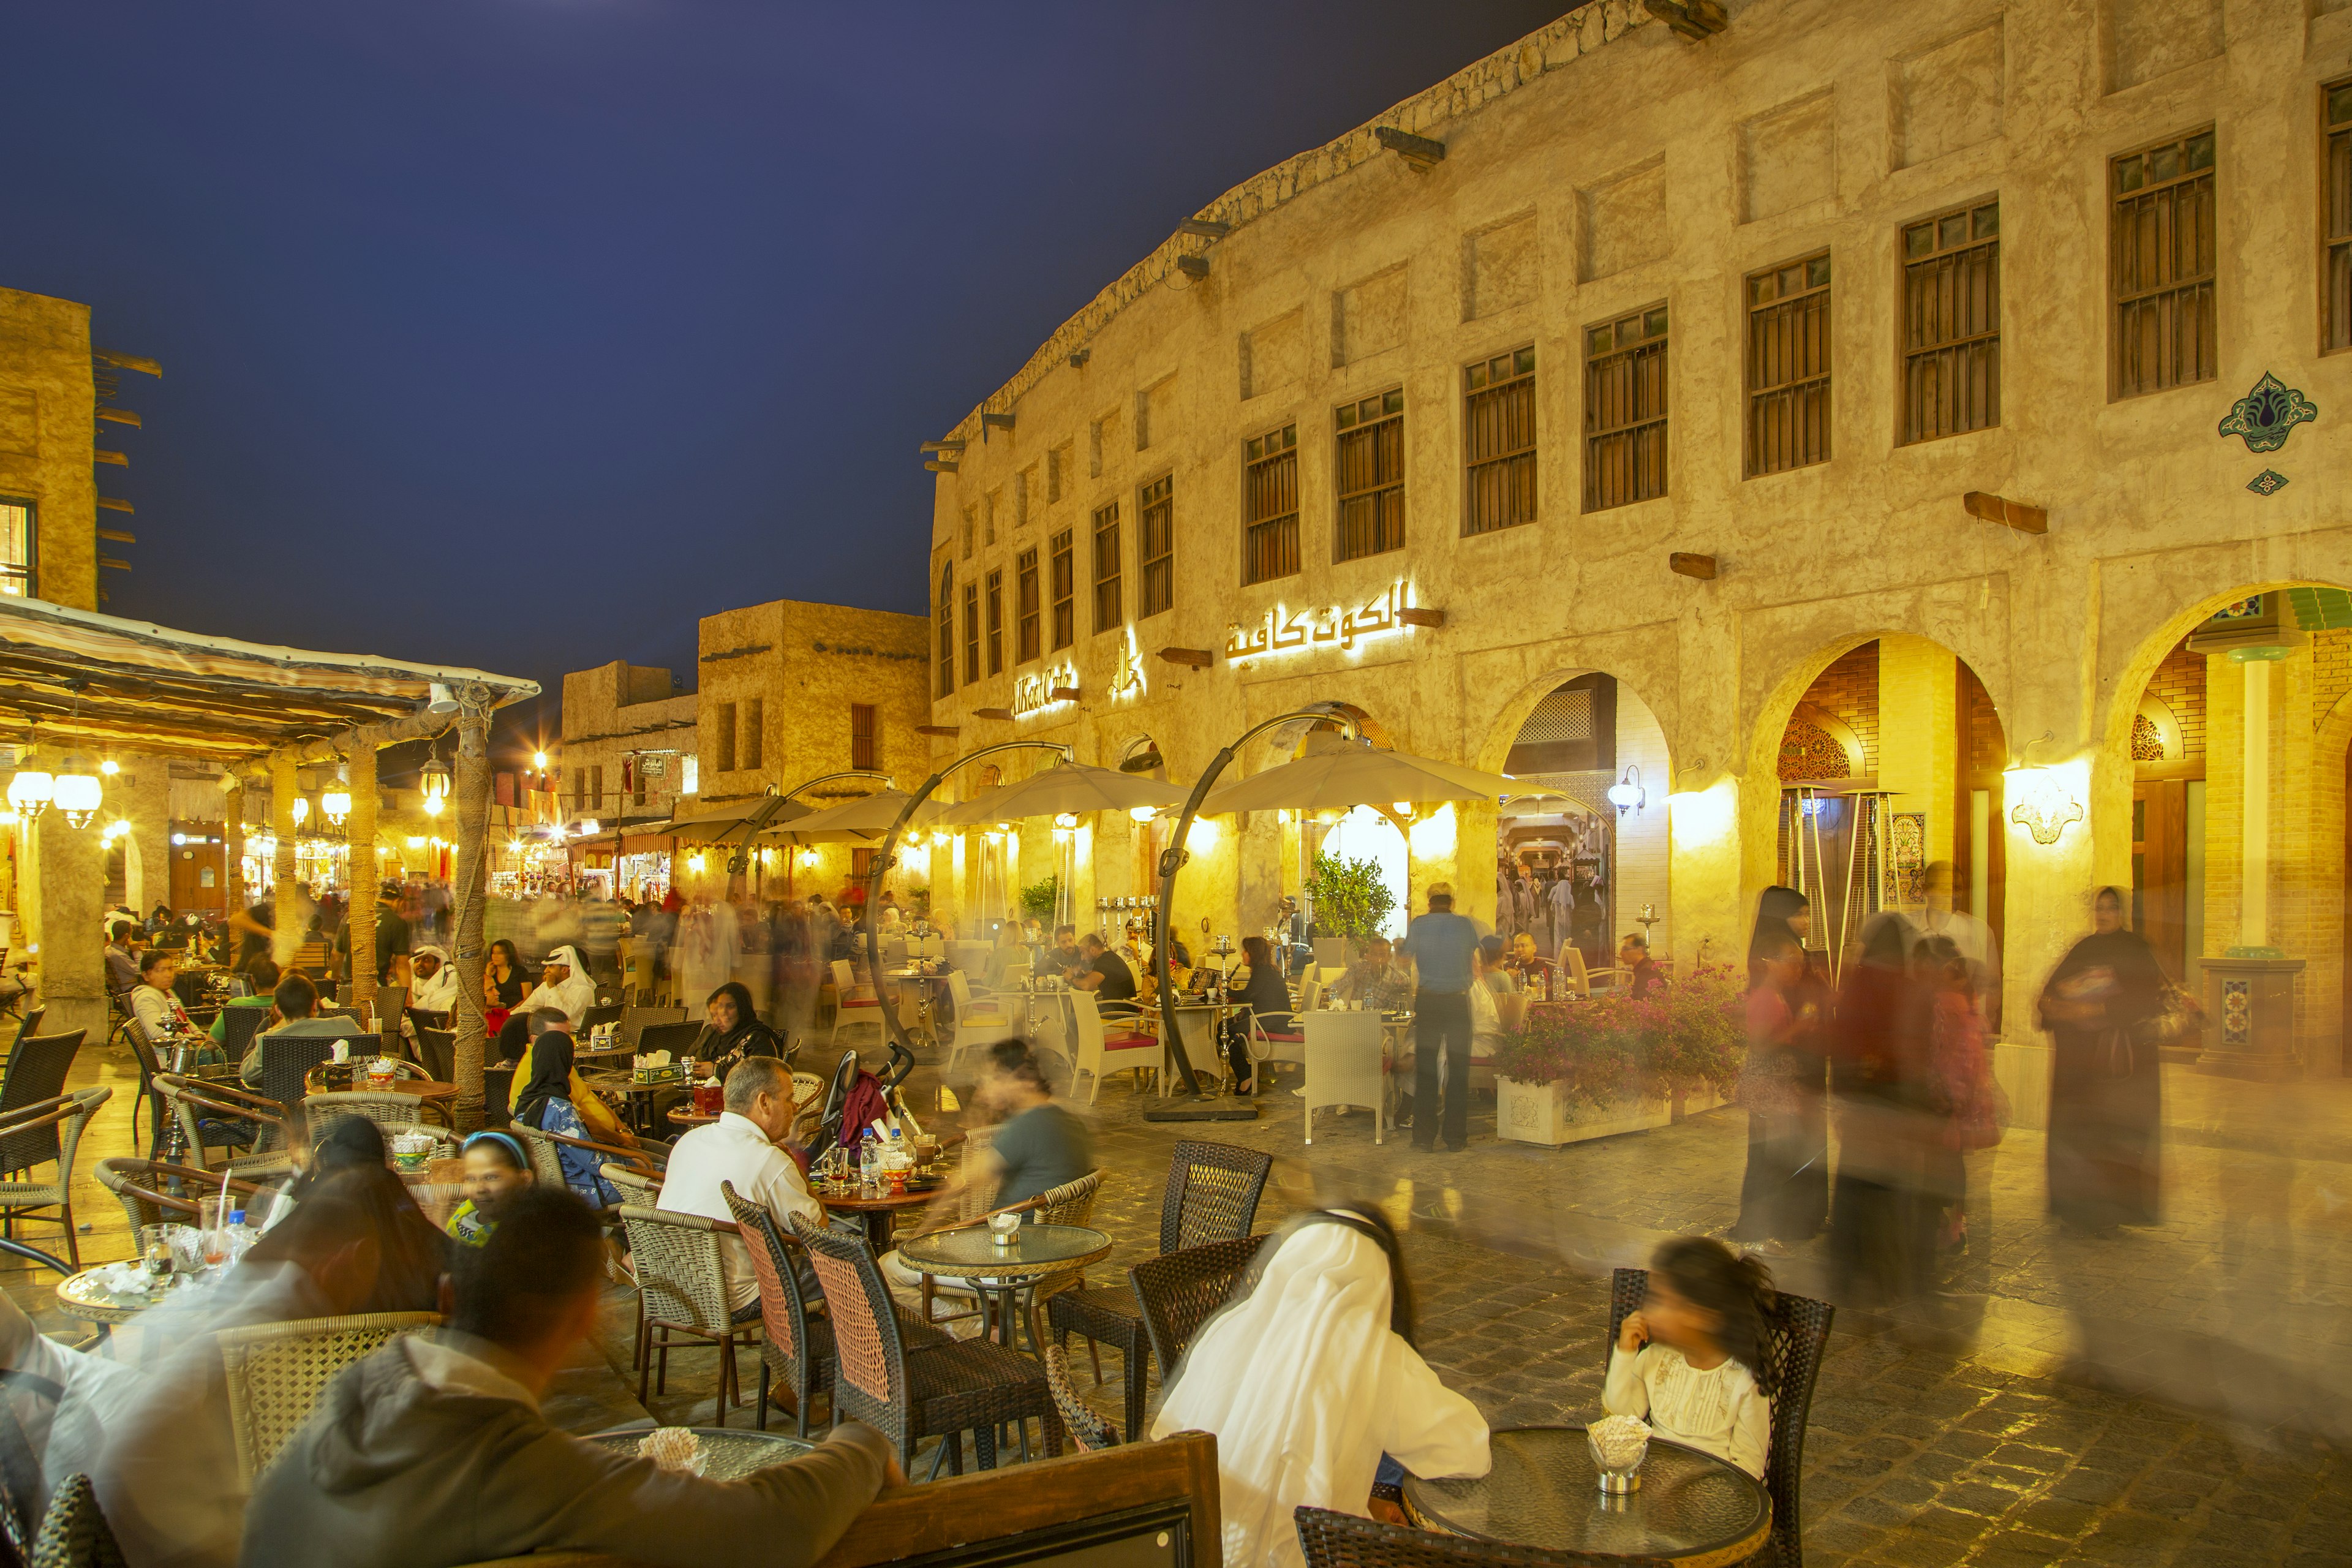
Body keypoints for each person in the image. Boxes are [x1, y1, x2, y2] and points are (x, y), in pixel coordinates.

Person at [239, 1186, 898, 1568]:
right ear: (588, 1315)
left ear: (445, 1296)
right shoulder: (514, 1469)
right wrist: (864, 1444)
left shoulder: (339, 1406)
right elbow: (768, 1529)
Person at [1150, 1204, 1490, 1568]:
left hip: (1192, 1550)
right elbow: (1468, 1453)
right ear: (1379, 1277)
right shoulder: (1376, 1351)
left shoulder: (1228, 1330)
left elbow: (1173, 1442)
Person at [97, 1179, 391, 1568]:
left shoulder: (259, 1290)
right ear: (350, 1258)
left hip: (137, 1508)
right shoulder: (274, 1334)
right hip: (173, 1532)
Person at [2038, 886, 2166, 1232]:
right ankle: (2078, 1209)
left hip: (2119, 1066)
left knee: (2114, 1140)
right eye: (2100, 908)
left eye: (2111, 908)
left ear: (2122, 912)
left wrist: (2100, 1008)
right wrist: (2066, 1009)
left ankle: (2114, 1211)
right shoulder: (2085, 948)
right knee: (2081, 1139)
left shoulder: (2136, 949)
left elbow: (2145, 998)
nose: (2104, 914)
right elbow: (2048, 996)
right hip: (2081, 1069)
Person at [657, 1057, 823, 1319]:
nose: (796, 1106)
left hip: (670, 1291)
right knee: (844, 1269)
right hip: (733, 1300)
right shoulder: (768, 1159)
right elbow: (816, 1231)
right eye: (789, 1098)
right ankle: (827, 1356)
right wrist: (794, 1165)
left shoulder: (689, 1141)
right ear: (764, 1102)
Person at [1604, 1236, 1774, 1479]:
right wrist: (1625, 1354)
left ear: (1705, 1317)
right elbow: (1621, 1418)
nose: (1650, 1311)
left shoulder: (1743, 1381)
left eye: (1664, 1302)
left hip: (1711, 1501)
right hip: (1654, 1489)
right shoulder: (1655, 1358)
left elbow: (1749, 1468)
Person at [1730, 910, 1830, 1253]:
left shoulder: (1775, 997)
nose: (1797, 970)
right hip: (1766, 1086)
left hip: (1776, 1086)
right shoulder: (1763, 999)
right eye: (1792, 962)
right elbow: (1760, 1043)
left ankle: (1764, 1227)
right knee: (1766, 1159)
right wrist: (1798, 1029)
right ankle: (1755, 1231)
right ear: (1770, 962)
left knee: (1773, 1156)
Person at [1404, 884, 1480, 1152]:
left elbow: (1404, 958)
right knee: (1459, 1071)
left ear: (1429, 901)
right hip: (1458, 1001)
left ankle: (1423, 1139)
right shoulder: (1465, 925)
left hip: (1429, 1002)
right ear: (1452, 901)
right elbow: (1471, 956)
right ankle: (1456, 1139)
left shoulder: (1419, 925)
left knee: (1426, 1070)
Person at [511, 1031, 622, 1207]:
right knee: (661, 1171)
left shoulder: (526, 1100)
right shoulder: (559, 1108)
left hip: (555, 1186)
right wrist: (631, 1162)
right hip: (586, 1189)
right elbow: (593, 1163)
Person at [1916, 860, 2001, 1027]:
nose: (1953, 895)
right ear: (1926, 890)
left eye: (1957, 889)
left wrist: (1974, 1022)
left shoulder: (1979, 932)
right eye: (1945, 889)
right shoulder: (1909, 931)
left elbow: (1990, 987)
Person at [241, 971, 360, 1088]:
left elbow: (247, 1074)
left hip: (282, 1105)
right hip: (338, 1103)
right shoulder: (347, 1025)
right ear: (314, 1005)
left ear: (278, 1011)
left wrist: (275, 1029)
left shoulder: (267, 1040)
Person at [1215, 935, 1294, 1097]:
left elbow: (1249, 995)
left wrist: (1226, 991)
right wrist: (1243, 1013)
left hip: (1272, 1021)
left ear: (1254, 953)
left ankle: (1246, 1076)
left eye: (1246, 951)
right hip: (1266, 1017)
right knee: (1222, 1026)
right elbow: (1257, 997)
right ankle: (1246, 1072)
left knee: (1226, 1031)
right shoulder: (1263, 970)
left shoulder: (1263, 971)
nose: (1243, 954)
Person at [495, 944, 595, 1065]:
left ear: (565, 969)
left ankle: (518, 1065)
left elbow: (562, 1017)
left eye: (551, 966)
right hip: (543, 1034)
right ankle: (514, 1063)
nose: (546, 970)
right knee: (517, 1019)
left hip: (569, 1037)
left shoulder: (583, 990)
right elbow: (528, 1006)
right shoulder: (546, 986)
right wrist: (516, 1018)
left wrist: (552, 988)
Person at [446, 1131, 533, 1248]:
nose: (480, 1189)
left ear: (524, 1179)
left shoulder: (523, 1235)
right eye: (471, 1178)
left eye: (491, 1177)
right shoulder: (466, 1210)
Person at [693, 981, 786, 1085]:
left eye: (731, 1006)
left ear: (742, 1009)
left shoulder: (757, 1038)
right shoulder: (710, 1033)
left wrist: (717, 1071)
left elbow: (765, 1076)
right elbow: (688, 1060)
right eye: (719, 1007)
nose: (723, 1012)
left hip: (741, 1099)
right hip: (698, 1094)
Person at [129, 949, 205, 1046]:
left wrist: (198, 1034)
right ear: (146, 976)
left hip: (188, 1044)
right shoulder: (146, 998)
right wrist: (195, 1041)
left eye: (170, 969)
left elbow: (185, 1020)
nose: (168, 975)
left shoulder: (168, 992)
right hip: (174, 1053)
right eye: (161, 970)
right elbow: (159, 1033)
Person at [208, 958, 280, 1047]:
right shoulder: (285, 1006)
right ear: (279, 980)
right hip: (278, 1059)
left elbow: (211, 1044)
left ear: (253, 980)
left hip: (240, 1060)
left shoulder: (235, 1005)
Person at [1332, 935, 1412, 1012]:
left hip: (1382, 1023)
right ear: (1369, 956)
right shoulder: (1358, 968)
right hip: (1354, 1019)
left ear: (1389, 957)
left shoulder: (1399, 979)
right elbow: (1340, 986)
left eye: (1382, 955)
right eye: (1374, 954)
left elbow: (1397, 1011)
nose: (1378, 959)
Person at [1070, 932, 1137, 1002]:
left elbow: (1086, 986)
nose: (1082, 958)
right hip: (1121, 1007)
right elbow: (1093, 977)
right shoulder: (1108, 957)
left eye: (1083, 953)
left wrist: (1071, 978)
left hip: (1119, 1010)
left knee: (1078, 1011)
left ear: (1093, 950)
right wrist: (1081, 975)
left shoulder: (1103, 961)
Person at [407, 944, 458, 1016]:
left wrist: (415, 1007)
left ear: (437, 966)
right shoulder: (410, 987)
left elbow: (435, 1002)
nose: (420, 964)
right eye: (417, 961)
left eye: (426, 960)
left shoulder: (448, 976)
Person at [1504, 931, 1554, 1000]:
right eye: (1516, 946)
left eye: (1524, 946)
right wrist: (1508, 978)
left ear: (1534, 948)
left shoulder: (1545, 968)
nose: (1520, 950)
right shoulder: (1508, 967)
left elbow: (1554, 987)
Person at [1621, 932, 1665, 999]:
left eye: (1625, 949)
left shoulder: (1648, 971)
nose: (1621, 953)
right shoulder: (1643, 968)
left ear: (1639, 949)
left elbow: (1641, 1003)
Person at [105, 919, 141, 998]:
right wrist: (136, 951)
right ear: (127, 936)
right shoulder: (118, 955)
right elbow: (139, 971)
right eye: (131, 934)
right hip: (128, 988)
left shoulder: (108, 950)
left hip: (122, 987)